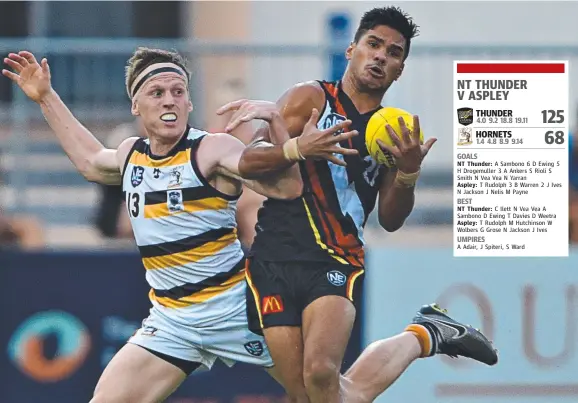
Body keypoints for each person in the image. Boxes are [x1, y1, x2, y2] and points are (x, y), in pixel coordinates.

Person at [2, 47, 358, 403]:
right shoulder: (131, 154)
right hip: (173, 321)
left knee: (326, 396)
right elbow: (91, 162)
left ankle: (411, 339)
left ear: (189, 103)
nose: (169, 101)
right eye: (157, 93)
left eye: (178, 92)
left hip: (238, 308)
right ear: (136, 106)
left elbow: (280, 182)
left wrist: (291, 147)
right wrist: (46, 97)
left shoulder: (211, 148)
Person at [218, 6, 498, 403]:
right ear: (351, 50)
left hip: (337, 258)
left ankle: (425, 333)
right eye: (373, 44)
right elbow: (250, 159)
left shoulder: (394, 130)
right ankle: (423, 335)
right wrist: (298, 147)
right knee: (309, 394)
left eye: (394, 52)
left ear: (400, 69)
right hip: (273, 256)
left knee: (320, 373)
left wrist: (407, 173)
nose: (381, 56)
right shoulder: (309, 99)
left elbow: (391, 218)